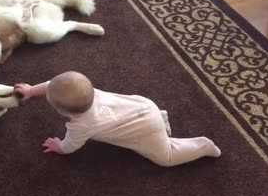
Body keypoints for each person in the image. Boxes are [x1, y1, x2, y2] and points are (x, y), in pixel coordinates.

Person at [14, 71, 221, 167]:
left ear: (66, 114)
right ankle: (162, 118)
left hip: (145, 128)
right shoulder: (86, 91)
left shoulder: (80, 125)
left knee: (165, 158)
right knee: (149, 114)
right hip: (144, 106)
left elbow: (71, 146)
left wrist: (58, 146)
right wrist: (31, 90)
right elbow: (52, 85)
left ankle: (203, 146)